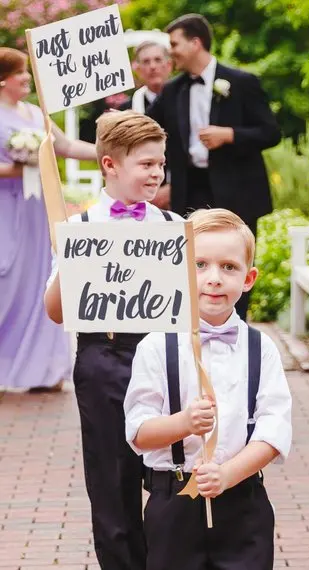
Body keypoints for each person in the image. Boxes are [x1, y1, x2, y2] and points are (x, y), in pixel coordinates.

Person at [44, 110, 184, 570]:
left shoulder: (169, 227)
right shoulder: (81, 227)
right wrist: (71, 263)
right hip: (105, 357)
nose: (156, 173)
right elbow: (56, 311)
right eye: (146, 164)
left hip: (163, 358)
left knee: (169, 477)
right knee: (112, 482)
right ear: (110, 164)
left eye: (160, 164)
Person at [123, 208, 292, 570]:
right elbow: (139, 431)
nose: (213, 278)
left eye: (228, 267)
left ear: (249, 278)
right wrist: (184, 422)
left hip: (243, 501)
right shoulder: (155, 346)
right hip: (173, 501)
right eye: (199, 265)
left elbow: (273, 430)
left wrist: (229, 474)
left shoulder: (261, 349)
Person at [148, 13, 281, 319]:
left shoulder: (242, 82)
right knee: (191, 261)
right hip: (189, 189)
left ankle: (238, 330)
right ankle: (194, 330)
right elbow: (144, 127)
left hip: (237, 189)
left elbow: (271, 132)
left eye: (175, 44)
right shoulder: (173, 90)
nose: (171, 52)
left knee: (235, 261)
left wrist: (229, 135)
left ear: (196, 43)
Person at [0, 47, 96, 392]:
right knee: (6, 281)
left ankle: (40, 370)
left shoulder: (34, 113)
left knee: (38, 282)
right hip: (5, 208)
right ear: (3, 80)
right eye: (20, 73)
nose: (27, 78)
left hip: (36, 212)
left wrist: (108, 151)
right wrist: (18, 167)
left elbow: (67, 146)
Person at [119, 41, 173, 210]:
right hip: (137, 197)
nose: (152, 66)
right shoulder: (126, 110)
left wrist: (173, 188)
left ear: (169, 65)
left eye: (158, 60)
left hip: (182, 192)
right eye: (146, 62)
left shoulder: (185, 102)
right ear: (137, 68)